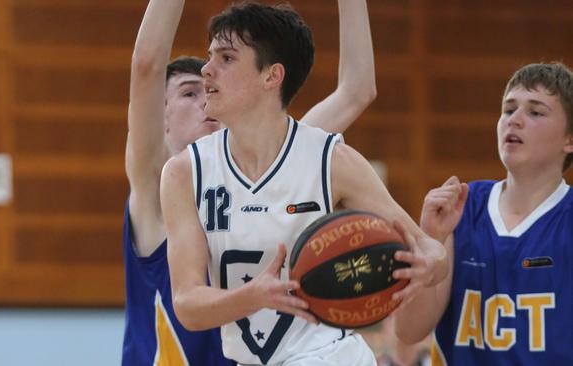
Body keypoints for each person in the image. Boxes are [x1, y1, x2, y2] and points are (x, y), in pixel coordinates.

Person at [160, 2, 448, 365]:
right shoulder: (184, 172)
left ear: (271, 76)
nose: (207, 69)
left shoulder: (331, 160)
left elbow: (429, 250)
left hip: (330, 356)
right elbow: (187, 305)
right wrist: (255, 296)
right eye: (210, 55)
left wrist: (431, 264)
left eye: (227, 58)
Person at [122, 0, 377, 364]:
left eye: (209, 84)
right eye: (188, 93)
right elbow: (147, 66)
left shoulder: (284, 155)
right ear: (159, 118)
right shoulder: (156, 186)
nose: (205, 92)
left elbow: (357, 91)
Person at [393, 62, 573, 365]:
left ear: (569, 139)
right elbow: (408, 331)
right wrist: (431, 240)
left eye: (535, 112)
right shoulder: (462, 206)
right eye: (508, 109)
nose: (514, 120)